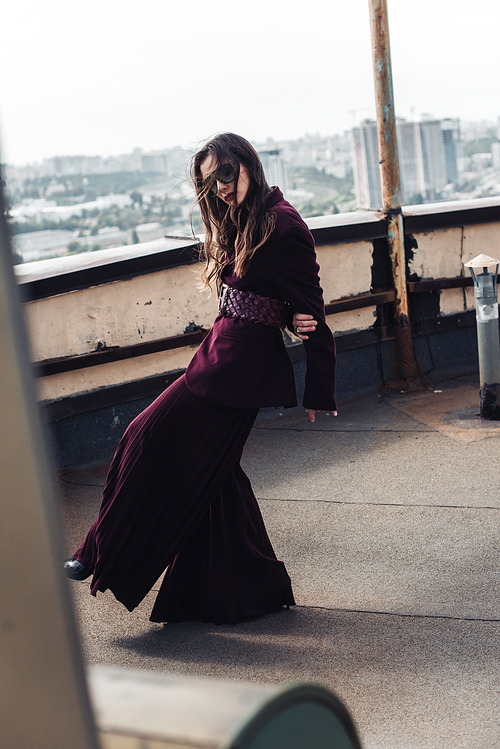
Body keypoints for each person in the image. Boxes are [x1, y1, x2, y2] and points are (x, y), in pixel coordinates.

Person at [64, 133, 337, 625]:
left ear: (249, 164)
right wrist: (281, 312)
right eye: (212, 182)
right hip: (221, 357)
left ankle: (96, 551)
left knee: (144, 434)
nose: (222, 188)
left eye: (227, 175)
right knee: (217, 478)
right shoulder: (246, 220)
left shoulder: (283, 225)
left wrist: (319, 384)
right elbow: (268, 296)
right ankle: (252, 589)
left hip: (237, 371)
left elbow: (312, 310)